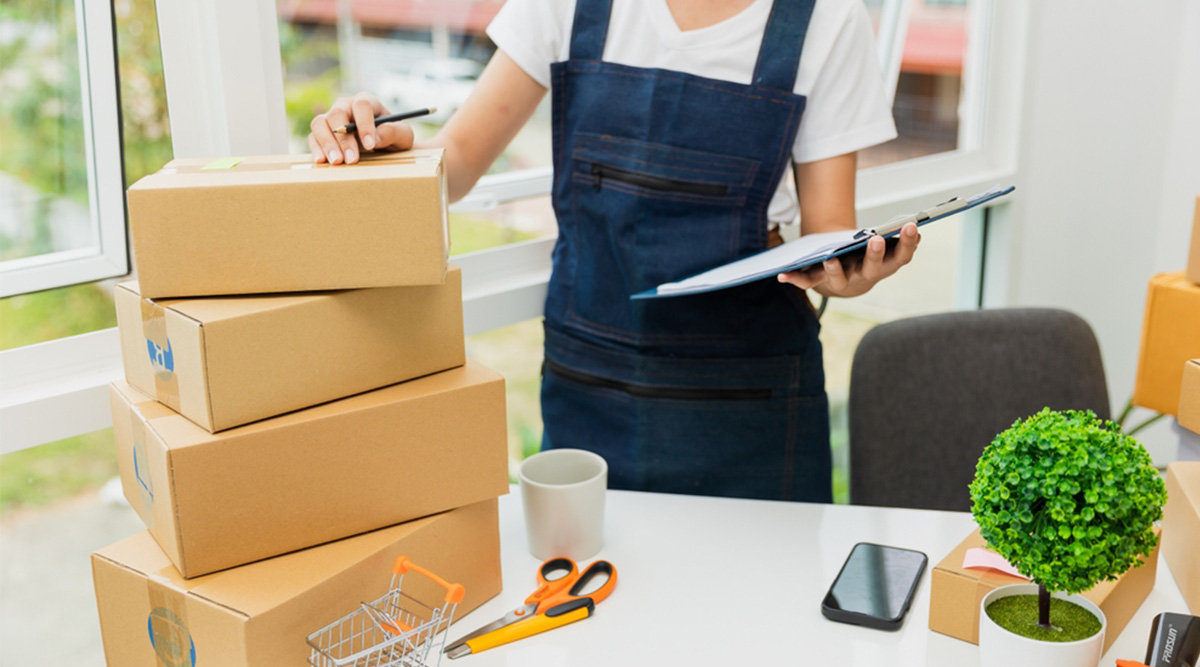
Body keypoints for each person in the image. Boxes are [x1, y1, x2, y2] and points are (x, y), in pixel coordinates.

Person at [308, 0, 921, 503]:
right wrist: (387, 142)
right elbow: (459, 161)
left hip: (750, 398)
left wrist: (850, 275)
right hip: (590, 384)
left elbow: (827, 230)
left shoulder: (827, 20)